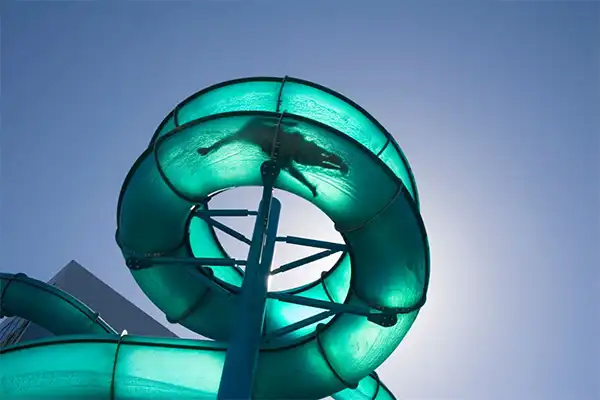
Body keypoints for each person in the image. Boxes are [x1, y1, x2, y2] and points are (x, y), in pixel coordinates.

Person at [197, 116, 348, 197]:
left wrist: (288, 122)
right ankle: (311, 185)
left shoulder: (254, 123)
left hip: (291, 142)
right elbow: (225, 141)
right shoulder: (243, 133)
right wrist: (209, 148)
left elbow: (275, 119)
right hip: (284, 153)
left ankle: (340, 162)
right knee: (299, 165)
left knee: (321, 154)